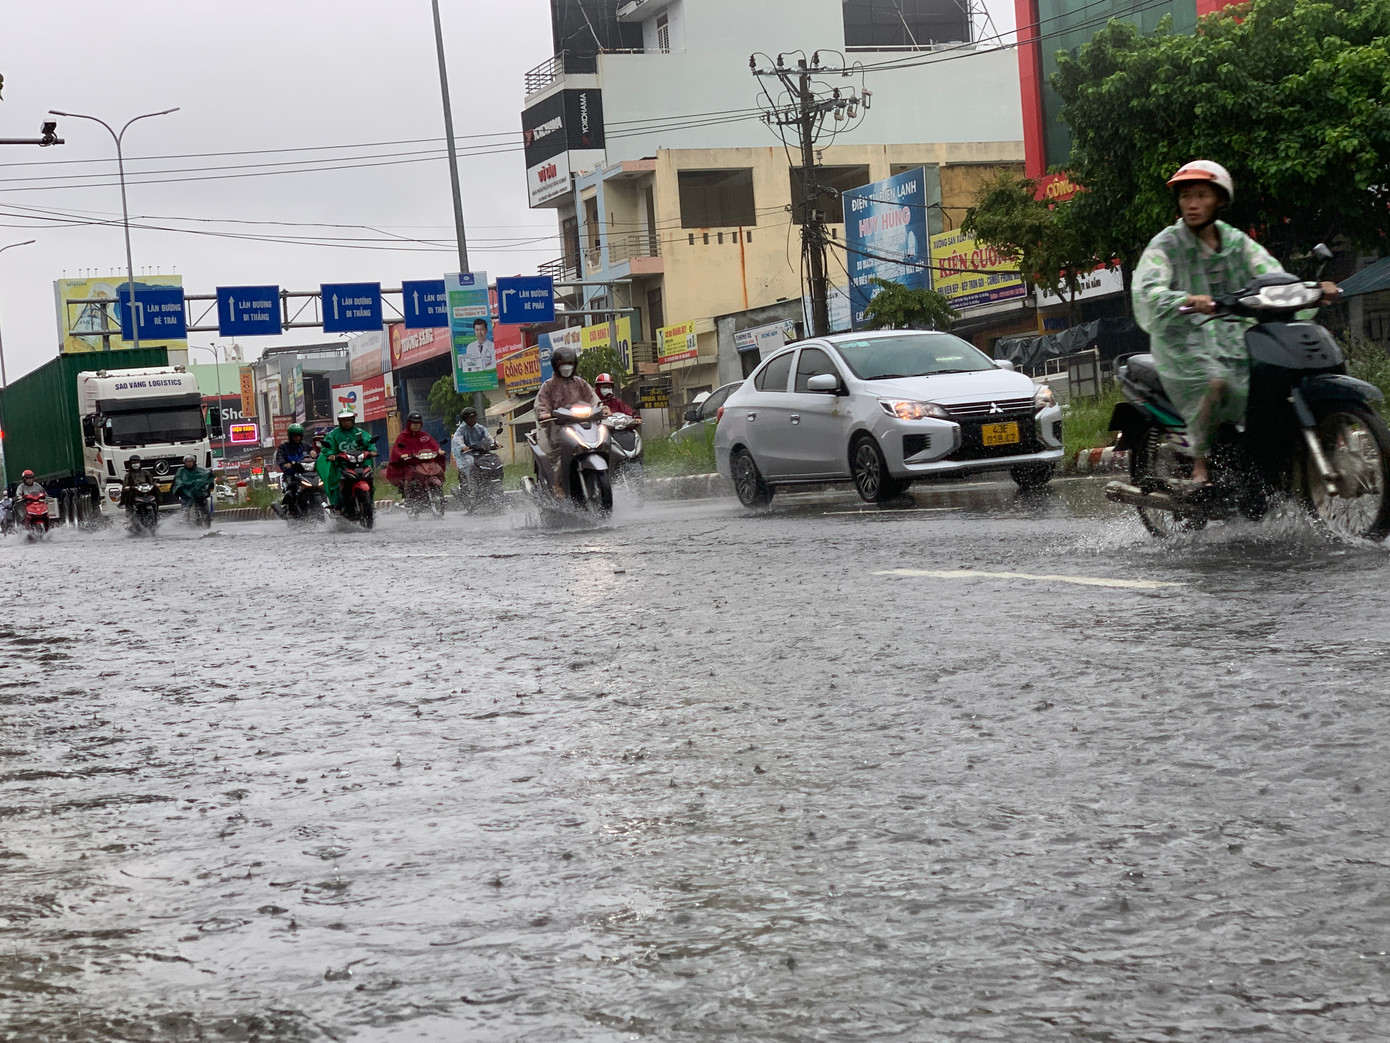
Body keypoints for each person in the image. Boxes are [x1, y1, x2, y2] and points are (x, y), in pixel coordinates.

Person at [1132, 160, 1340, 488]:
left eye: (1201, 195)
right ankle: (1200, 464)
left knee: (1272, 377)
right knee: (1215, 383)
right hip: (1183, 341)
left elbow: (1271, 273)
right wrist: (1184, 299)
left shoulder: (1235, 242)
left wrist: (1309, 290)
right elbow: (1148, 289)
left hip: (1233, 334)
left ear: (1220, 200)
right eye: (1186, 196)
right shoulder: (1167, 244)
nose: (1192, 204)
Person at [534, 345, 604, 496]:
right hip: (559, 429)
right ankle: (558, 486)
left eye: (569, 364)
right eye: (563, 365)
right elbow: (541, 404)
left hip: (583, 425)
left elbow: (593, 399)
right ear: (556, 366)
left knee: (599, 444)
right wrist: (544, 413)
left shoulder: (580, 383)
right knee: (561, 456)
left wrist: (602, 408)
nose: (566, 368)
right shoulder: (548, 385)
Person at [315, 408, 376, 510]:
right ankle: (338, 505)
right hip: (341, 466)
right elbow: (327, 447)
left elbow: (369, 442)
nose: (346, 423)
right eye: (343, 421)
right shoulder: (333, 434)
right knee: (335, 484)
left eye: (348, 420)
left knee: (369, 479)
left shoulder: (360, 433)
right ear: (339, 422)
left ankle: (370, 501)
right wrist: (331, 455)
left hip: (360, 464)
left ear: (353, 420)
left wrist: (372, 450)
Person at [386, 411, 445, 491]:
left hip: (424, 462)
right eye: (414, 423)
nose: (416, 425)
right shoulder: (403, 436)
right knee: (410, 472)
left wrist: (439, 450)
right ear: (409, 423)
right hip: (411, 462)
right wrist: (402, 455)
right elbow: (397, 449)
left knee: (436, 468)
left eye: (418, 423)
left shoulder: (424, 435)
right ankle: (408, 491)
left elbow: (433, 444)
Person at [451, 406, 498, 496]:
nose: (472, 419)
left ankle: (492, 480)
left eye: (474, 417)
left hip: (480, 452)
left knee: (492, 459)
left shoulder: (480, 428)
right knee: (470, 462)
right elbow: (458, 439)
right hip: (466, 454)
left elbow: (488, 437)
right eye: (470, 418)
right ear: (465, 419)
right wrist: (463, 446)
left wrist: (495, 443)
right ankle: (471, 487)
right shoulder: (461, 430)